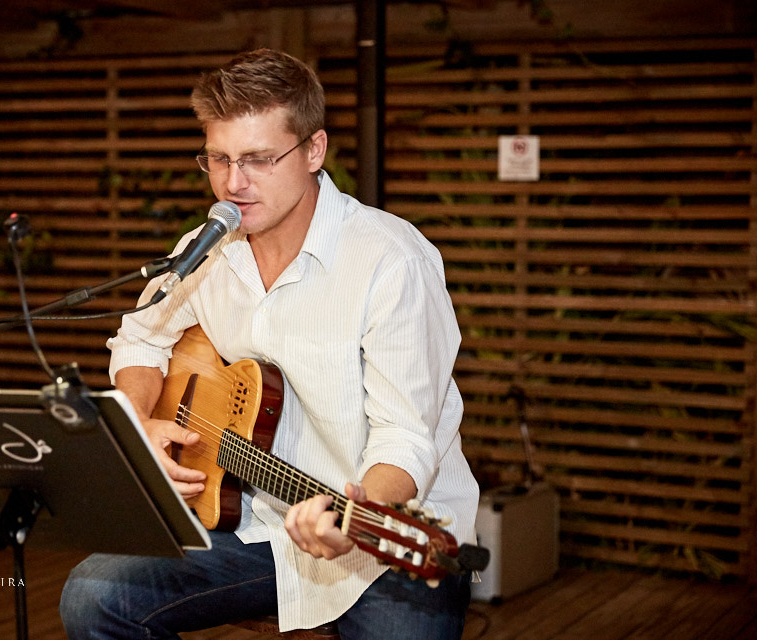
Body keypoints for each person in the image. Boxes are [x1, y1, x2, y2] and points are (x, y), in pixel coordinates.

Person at [60, 48, 480, 640]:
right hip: (255, 524)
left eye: (258, 159)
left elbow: (406, 436)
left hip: (385, 541)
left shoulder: (391, 261)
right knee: (92, 596)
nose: (233, 183)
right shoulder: (206, 249)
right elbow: (140, 338)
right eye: (219, 159)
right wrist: (137, 421)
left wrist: (353, 516)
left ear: (314, 150)